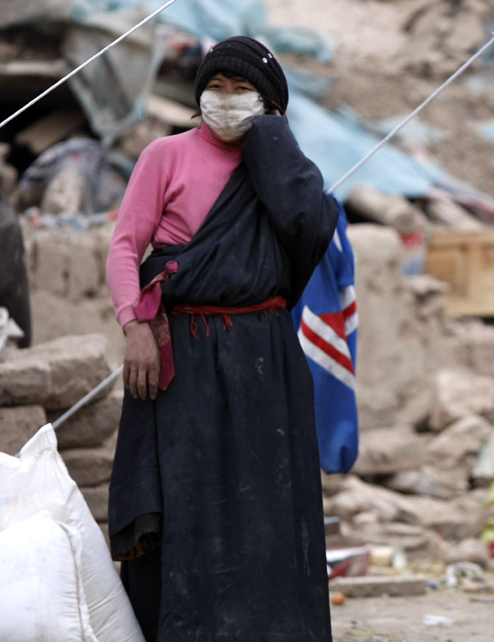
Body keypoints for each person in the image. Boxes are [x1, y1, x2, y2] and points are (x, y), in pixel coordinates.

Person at [105, 36, 338, 641]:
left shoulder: (282, 171)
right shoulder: (165, 155)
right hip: (183, 353)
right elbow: (125, 247)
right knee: (190, 499)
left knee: (268, 505)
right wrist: (134, 326)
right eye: (216, 87)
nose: (226, 99)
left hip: (265, 358)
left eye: (242, 90)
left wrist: (273, 142)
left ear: (270, 105)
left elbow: (308, 228)